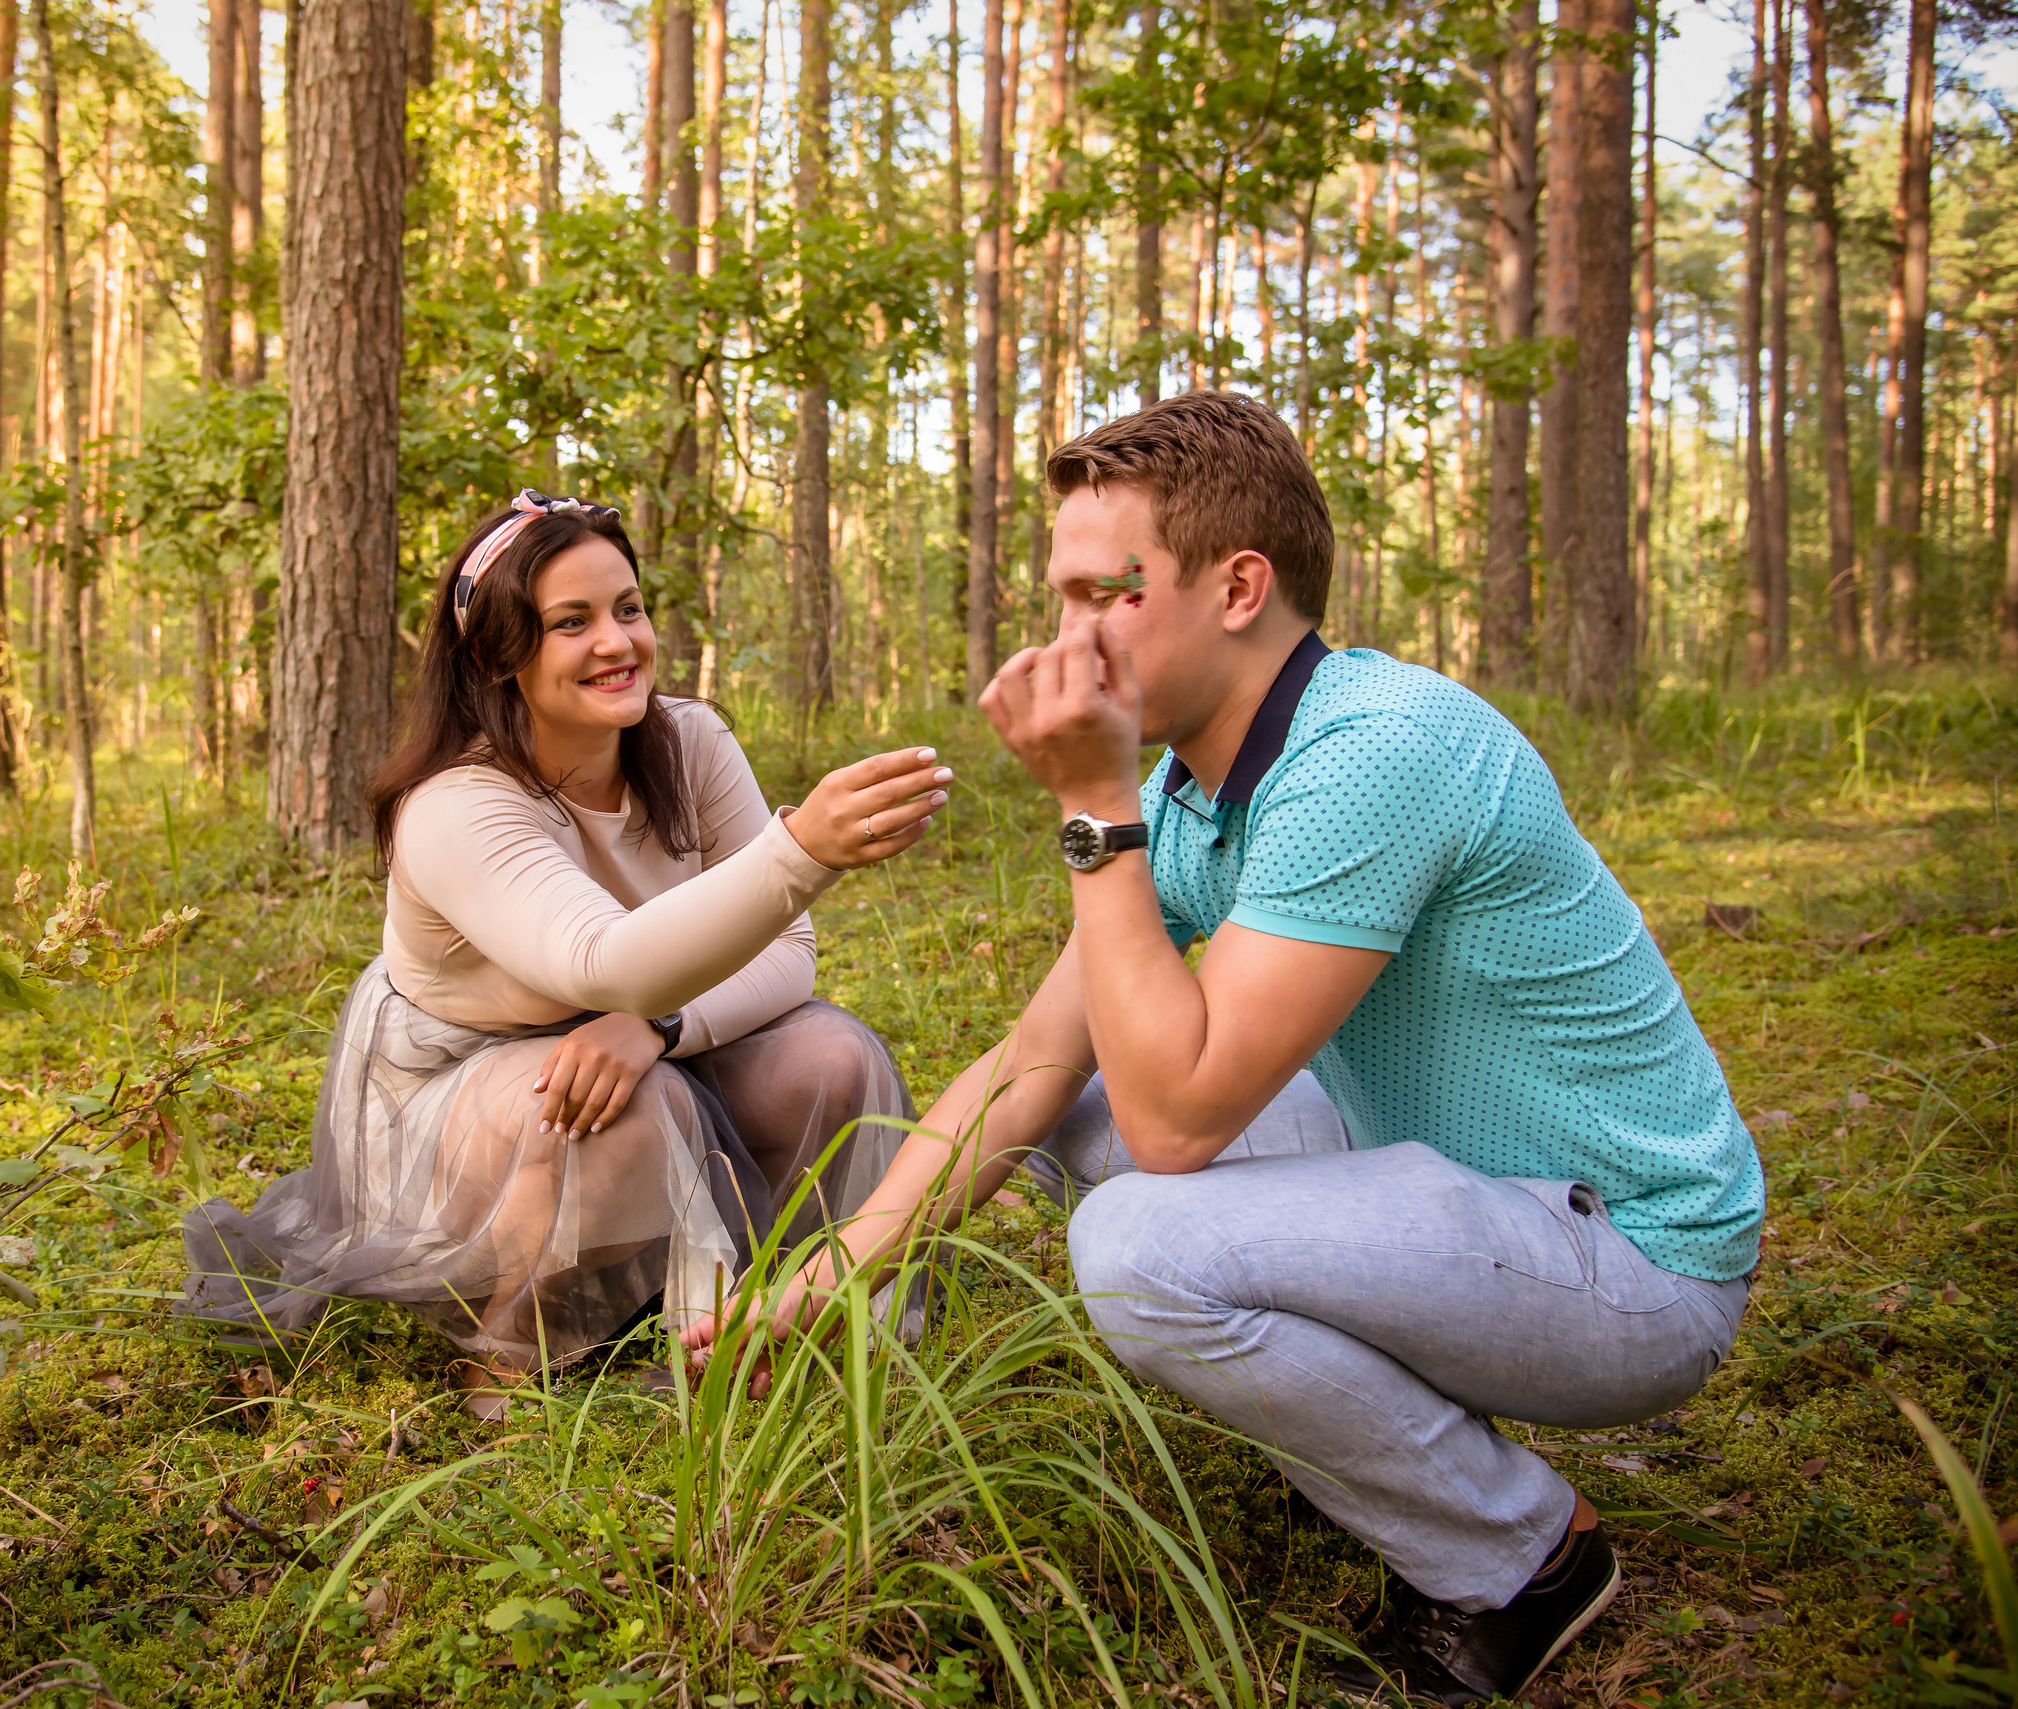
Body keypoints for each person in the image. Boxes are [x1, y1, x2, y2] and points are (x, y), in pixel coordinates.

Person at [683, 396, 1764, 1707]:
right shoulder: (1199, 789)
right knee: (1079, 1118)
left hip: (1631, 1267)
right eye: (1059, 597)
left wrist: (1092, 805)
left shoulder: (1374, 751)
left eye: (1107, 594)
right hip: (1458, 1192)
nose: (1065, 640)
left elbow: (1184, 1123)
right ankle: (1380, 1453)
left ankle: (1526, 1557)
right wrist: (832, 1275)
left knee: (1140, 1245)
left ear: (1239, 585)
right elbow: (1036, 1058)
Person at [184, 490, 950, 1419]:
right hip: (462, 1090)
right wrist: (803, 849)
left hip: (634, 1038)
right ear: (500, 655)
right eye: (572, 622)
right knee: (625, 1109)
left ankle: (781, 1312)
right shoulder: (457, 805)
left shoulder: (690, 742)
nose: (617, 642)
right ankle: (508, 1348)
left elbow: (788, 950)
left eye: (628, 608)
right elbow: (605, 963)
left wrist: (660, 1027)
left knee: (830, 1056)